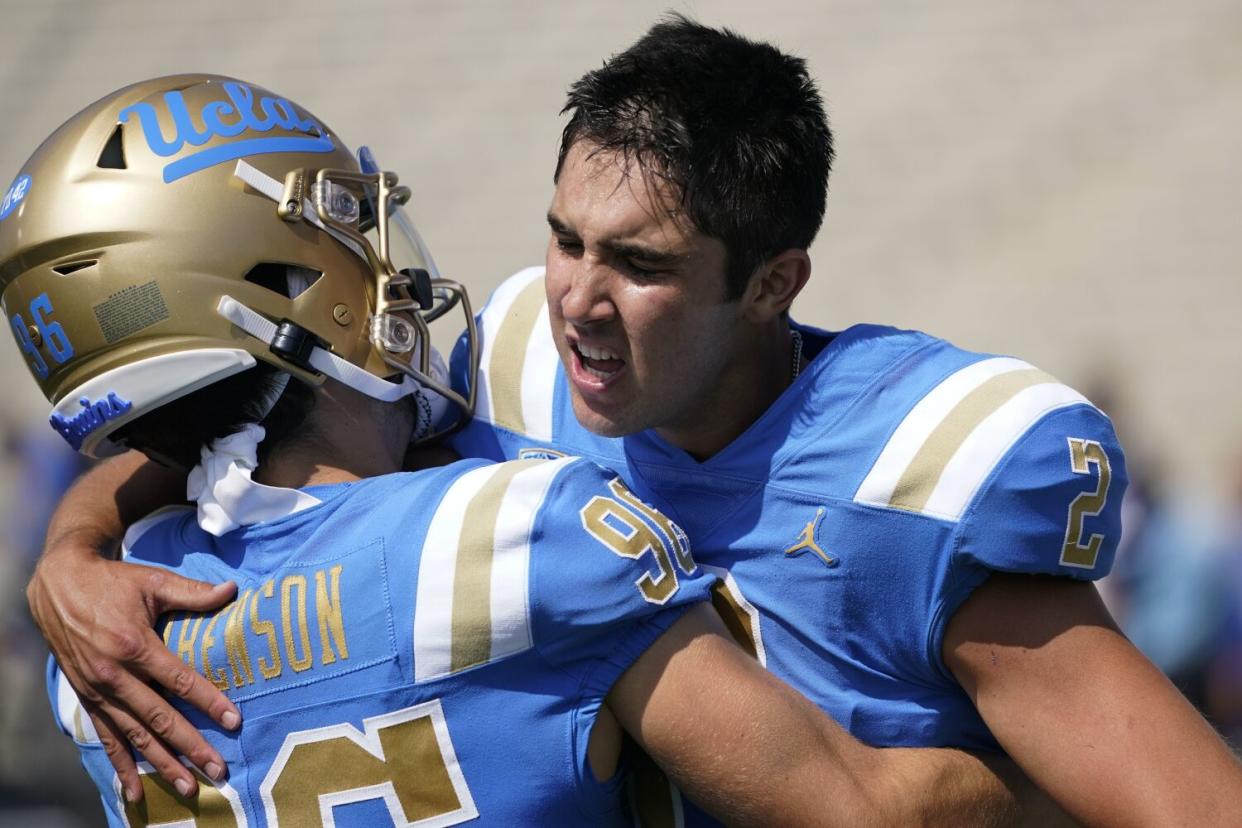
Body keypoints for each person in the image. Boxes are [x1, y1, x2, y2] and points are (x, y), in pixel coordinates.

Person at [25, 16, 1242, 826]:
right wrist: (68, 553)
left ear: (774, 282)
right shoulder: (505, 396)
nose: (576, 299)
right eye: (563, 240)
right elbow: (236, 397)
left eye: (640, 265)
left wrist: (80, 551)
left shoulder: (906, 476)